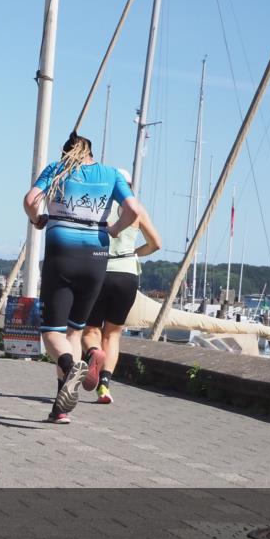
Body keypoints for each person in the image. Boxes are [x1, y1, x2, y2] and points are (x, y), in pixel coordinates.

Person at [23, 133, 141, 424]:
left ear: (67, 154)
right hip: (97, 257)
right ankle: (60, 408)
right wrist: (113, 229)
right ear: (91, 153)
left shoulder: (57, 170)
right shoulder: (111, 174)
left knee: (52, 332)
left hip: (62, 253)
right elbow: (134, 210)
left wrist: (36, 218)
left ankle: (70, 364)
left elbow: (30, 200)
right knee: (74, 332)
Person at [81, 169, 162, 405]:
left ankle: (92, 354)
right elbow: (156, 244)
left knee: (91, 331)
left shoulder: (97, 208)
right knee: (113, 333)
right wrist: (134, 253)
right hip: (127, 274)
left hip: (99, 271)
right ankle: (104, 386)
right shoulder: (137, 210)